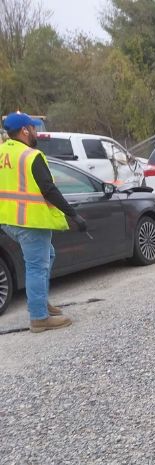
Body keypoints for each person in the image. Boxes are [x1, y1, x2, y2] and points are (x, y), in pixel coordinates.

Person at [0, 112, 87, 332]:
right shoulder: (31, 156)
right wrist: (73, 215)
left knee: (48, 255)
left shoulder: (2, 153)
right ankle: (39, 318)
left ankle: (40, 300)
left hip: (8, 220)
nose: (36, 132)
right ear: (24, 131)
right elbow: (49, 189)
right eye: (33, 128)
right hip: (30, 222)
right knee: (37, 266)